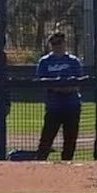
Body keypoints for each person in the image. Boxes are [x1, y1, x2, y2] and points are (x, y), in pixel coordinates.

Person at [35, 31, 84, 160]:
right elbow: (41, 82)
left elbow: (79, 82)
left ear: (64, 43)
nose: (56, 46)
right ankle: (40, 163)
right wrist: (57, 88)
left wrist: (66, 88)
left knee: (70, 138)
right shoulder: (45, 62)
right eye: (54, 43)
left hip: (72, 105)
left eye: (59, 43)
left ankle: (67, 163)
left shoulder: (73, 61)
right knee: (47, 138)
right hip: (54, 106)